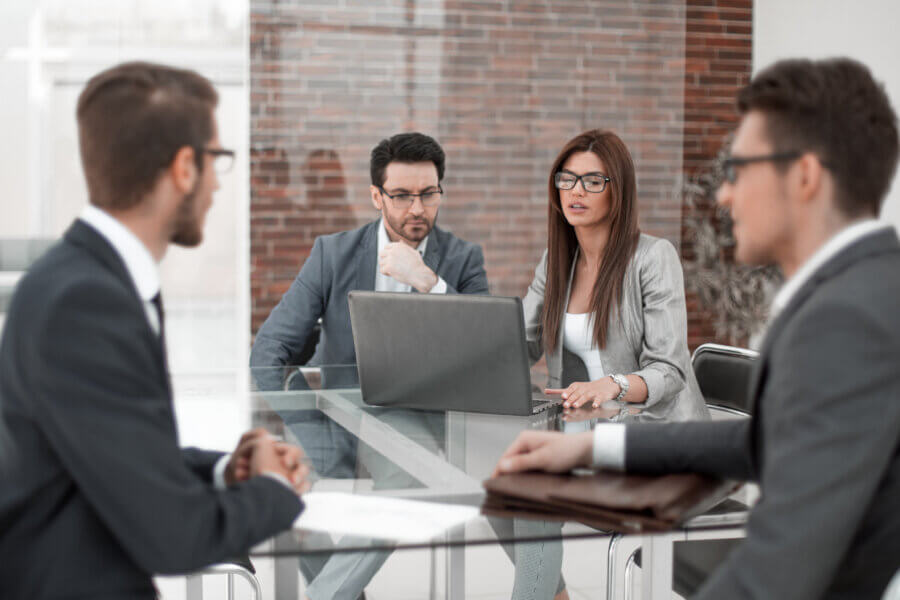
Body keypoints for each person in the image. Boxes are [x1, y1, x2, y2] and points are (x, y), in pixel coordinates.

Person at [495, 57, 900, 600]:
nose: (724, 195)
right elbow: (762, 439)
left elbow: (781, 571)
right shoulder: (849, 296)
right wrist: (593, 450)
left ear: (803, 176)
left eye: (740, 170)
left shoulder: (847, 322)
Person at [0, 62, 309, 599]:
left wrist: (225, 471)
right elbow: (177, 539)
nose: (217, 182)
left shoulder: (93, 281)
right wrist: (275, 490)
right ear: (184, 167)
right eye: (217, 160)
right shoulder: (85, 302)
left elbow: (107, 451)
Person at [250, 132, 488, 599]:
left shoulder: (461, 260)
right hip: (336, 411)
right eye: (401, 196)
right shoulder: (333, 253)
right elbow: (268, 353)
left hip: (413, 418)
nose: (417, 208)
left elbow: (484, 348)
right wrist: (314, 431)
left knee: (402, 480)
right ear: (376, 196)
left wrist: (427, 280)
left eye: (428, 193)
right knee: (286, 493)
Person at [496, 129, 710, 600]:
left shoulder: (652, 258)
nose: (576, 191)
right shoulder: (557, 261)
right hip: (592, 435)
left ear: (619, 190)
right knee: (499, 487)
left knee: (531, 489)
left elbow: (670, 371)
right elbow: (521, 346)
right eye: (567, 179)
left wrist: (610, 385)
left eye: (593, 181)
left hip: (660, 439)